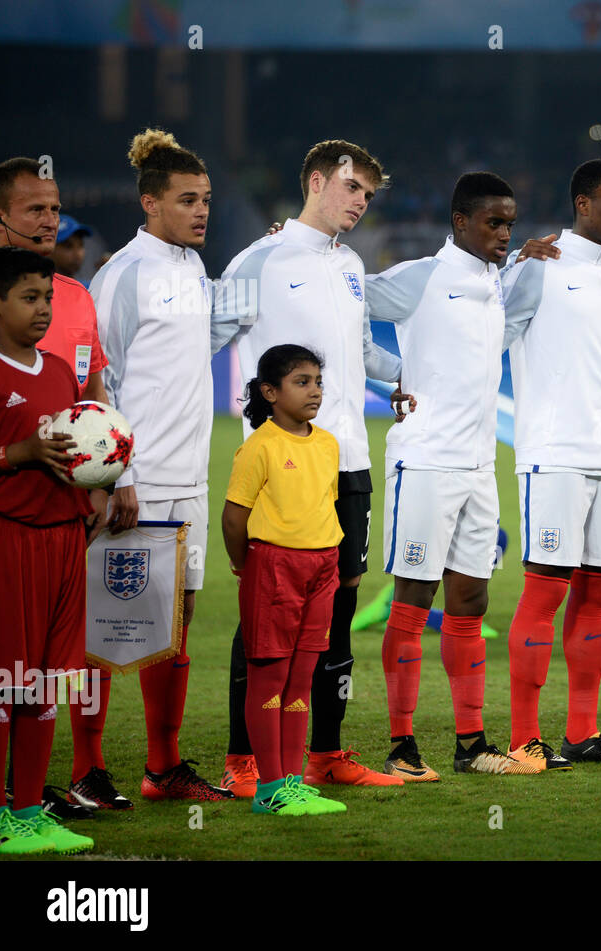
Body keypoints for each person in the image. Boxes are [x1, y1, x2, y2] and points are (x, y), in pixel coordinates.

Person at [213, 139, 404, 792]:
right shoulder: (258, 260)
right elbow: (204, 334)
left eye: (368, 196)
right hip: (284, 468)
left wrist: (405, 379)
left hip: (349, 462)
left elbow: (362, 351)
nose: (359, 203)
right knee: (272, 611)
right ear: (317, 180)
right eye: (352, 188)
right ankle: (243, 760)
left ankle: (326, 752)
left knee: (341, 605)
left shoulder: (350, 262)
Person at [365, 172, 539, 777]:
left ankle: (471, 746)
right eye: (494, 222)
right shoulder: (421, 277)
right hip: (426, 461)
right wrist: (392, 371)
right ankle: (401, 747)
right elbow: (344, 300)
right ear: (461, 221)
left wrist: (525, 257)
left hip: (478, 465)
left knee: (471, 597)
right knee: (415, 598)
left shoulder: (494, 282)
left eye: (510, 224)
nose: (503, 233)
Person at [86, 129, 235, 800]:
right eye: (186, 200)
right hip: (137, 486)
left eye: (205, 199)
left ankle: (161, 767)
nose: (201, 211)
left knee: (174, 625)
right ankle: (86, 768)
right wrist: (118, 475)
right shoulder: (125, 274)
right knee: (109, 628)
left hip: (189, 479)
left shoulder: (192, 270)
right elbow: (101, 379)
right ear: (150, 203)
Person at [501, 159, 601, 768]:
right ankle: (521, 739)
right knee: (544, 594)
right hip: (555, 455)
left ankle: (582, 733)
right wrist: (510, 266)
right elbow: (495, 325)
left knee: (598, 596)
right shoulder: (540, 264)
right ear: (582, 203)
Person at [0, 246, 100, 854]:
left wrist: (98, 477)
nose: (43, 310)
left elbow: (73, 449)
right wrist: (18, 456)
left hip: (66, 537)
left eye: (49, 299)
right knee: (5, 684)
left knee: (45, 685)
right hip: (11, 537)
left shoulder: (62, 369)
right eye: (29, 298)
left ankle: (30, 810)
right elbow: (23, 452)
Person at [222, 344, 348, 815]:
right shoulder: (260, 446)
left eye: (317, 381)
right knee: (269, 676)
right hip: (273, 566)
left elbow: (324, 505)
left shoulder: (328, 443)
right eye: (302, 382)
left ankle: (292, 783)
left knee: (301, 677)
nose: (315, 390)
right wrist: (245, 565)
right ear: (269, 392)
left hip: (322, 567)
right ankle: (270, 789)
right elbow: (234, 518)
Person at [0, 159, 108, 406]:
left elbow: (93, 395)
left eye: (54, 210)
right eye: (36, 210)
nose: (51, 221)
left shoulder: (79, 297)